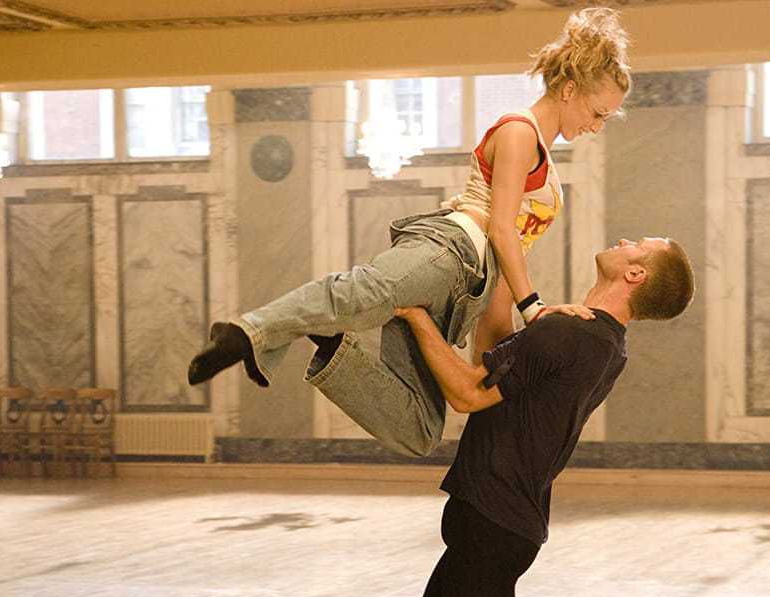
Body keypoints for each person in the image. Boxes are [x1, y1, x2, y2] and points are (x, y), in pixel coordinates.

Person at [187, 7, 633, 457]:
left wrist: (499, 356)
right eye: (598, 113)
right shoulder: (519, 132)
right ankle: (245, 333)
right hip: (452, 248)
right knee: (367, 292)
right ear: (570, 89)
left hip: (467, 290)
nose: (596, 126)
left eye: (605, 119)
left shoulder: (545, 157)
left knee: (421, 430)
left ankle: (332, 344)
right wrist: (534, 309)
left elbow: (508, 252)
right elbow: (500, 228)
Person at [398, 236, 694, 597]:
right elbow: (494, 349)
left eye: (638, 244)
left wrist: (415, 317)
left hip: (494, 525)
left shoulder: (568, 333)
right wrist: (505, 260)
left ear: (635, 274)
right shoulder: (599, 339)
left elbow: (467, 393)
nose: (624, 240)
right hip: (494, 522)